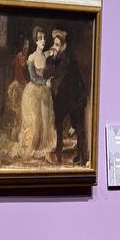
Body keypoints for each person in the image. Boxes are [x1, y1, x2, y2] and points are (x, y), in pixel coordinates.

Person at [48, 28, 89, 165]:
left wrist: (52, 81)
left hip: (77, 96)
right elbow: (52, 70)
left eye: (58, 44)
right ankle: (60, 152)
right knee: (59, 122)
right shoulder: (59, 57)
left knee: (79, 126)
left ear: (64, 45)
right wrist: (52, 57)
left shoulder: (67, 58)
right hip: (66, 95)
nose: (55, 47)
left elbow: (60, 75)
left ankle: (82, 157)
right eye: (54, 44)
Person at [18, 26, 56, 161]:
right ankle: (32, 148)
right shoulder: (31, 57)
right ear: (35, 41)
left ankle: (44, 149)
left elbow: (51, 52)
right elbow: (33, 78)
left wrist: (54, 50)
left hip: (44, 91)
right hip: (33, 92)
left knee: (46, 119)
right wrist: (45, 82)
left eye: (44, 38)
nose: (43, 40)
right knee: (35, 120)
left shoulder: (45, 55)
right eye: (40, 38)